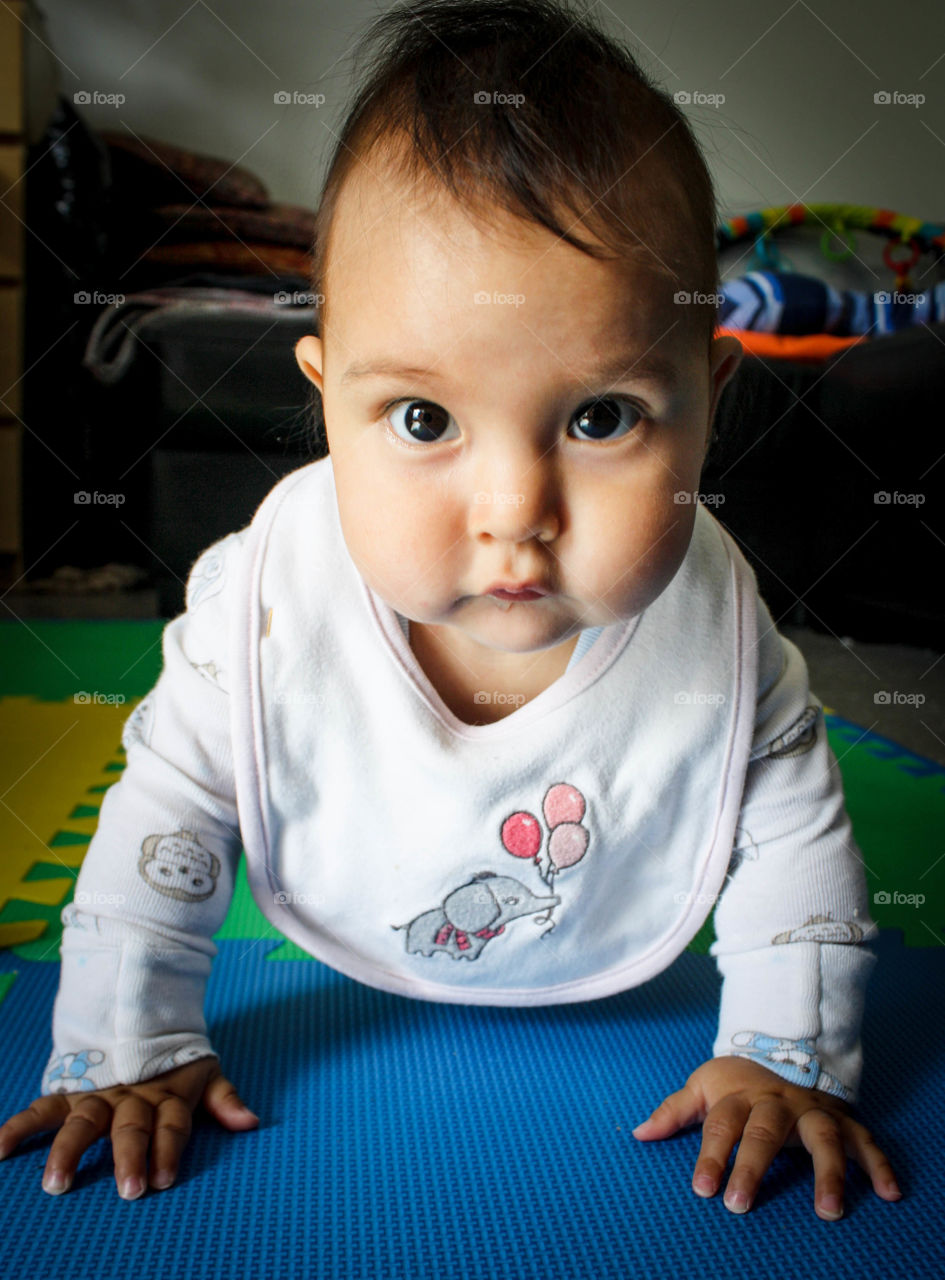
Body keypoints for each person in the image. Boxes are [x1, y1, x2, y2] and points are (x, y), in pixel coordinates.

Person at [0, 0, 902, 1220]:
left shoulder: (713, 624)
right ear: (327, 403)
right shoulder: (267, 605)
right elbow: (166, 813)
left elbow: (795, 834)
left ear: (709, 397)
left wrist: (784, 1051)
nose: (515, 510)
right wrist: (126, 1040)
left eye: (602, 417)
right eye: (423, 419)